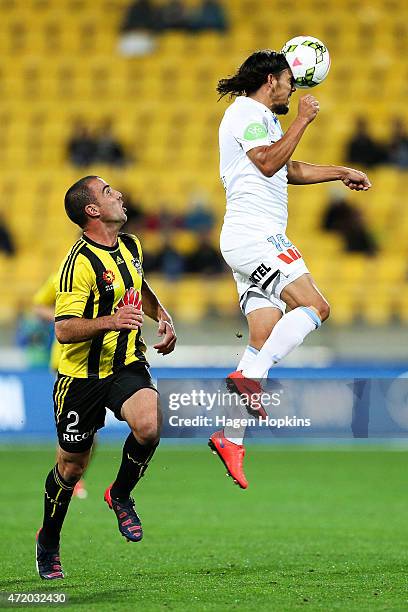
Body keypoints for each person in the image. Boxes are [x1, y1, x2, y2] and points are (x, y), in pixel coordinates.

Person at [208, 50, 371, 489]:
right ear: (270, 80)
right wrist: (303, 120)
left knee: (262, 337)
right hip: (256, 236)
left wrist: (339, 171)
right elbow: (267, 162)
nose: (293, 88)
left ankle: (231, 437)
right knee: (317, 307)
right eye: (288, 81)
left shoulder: (261, 119)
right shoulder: (245, 111)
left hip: (248, 238)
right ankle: (251, 380)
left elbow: (285, 168)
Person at [35, 175, 176, 580]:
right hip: (80, 377)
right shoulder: (77, 264)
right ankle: (49, 540)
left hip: (126, 362)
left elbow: (140, 284)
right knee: (72, 467)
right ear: (92, 211)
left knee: (148, 427)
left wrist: (161, 316)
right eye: (109, 192)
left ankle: (120, 494)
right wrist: (113, 320)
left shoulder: (130, 245)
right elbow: (63, 329)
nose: (120, 195)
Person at [33, 273, 89, 498]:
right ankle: (66, 478)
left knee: (91, 431)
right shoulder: (63, 274)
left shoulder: (111, 270)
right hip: (68, 360)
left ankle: (74, 476)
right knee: (73, 429)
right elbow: (39, 306)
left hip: (100, 362)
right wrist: (65, 318)